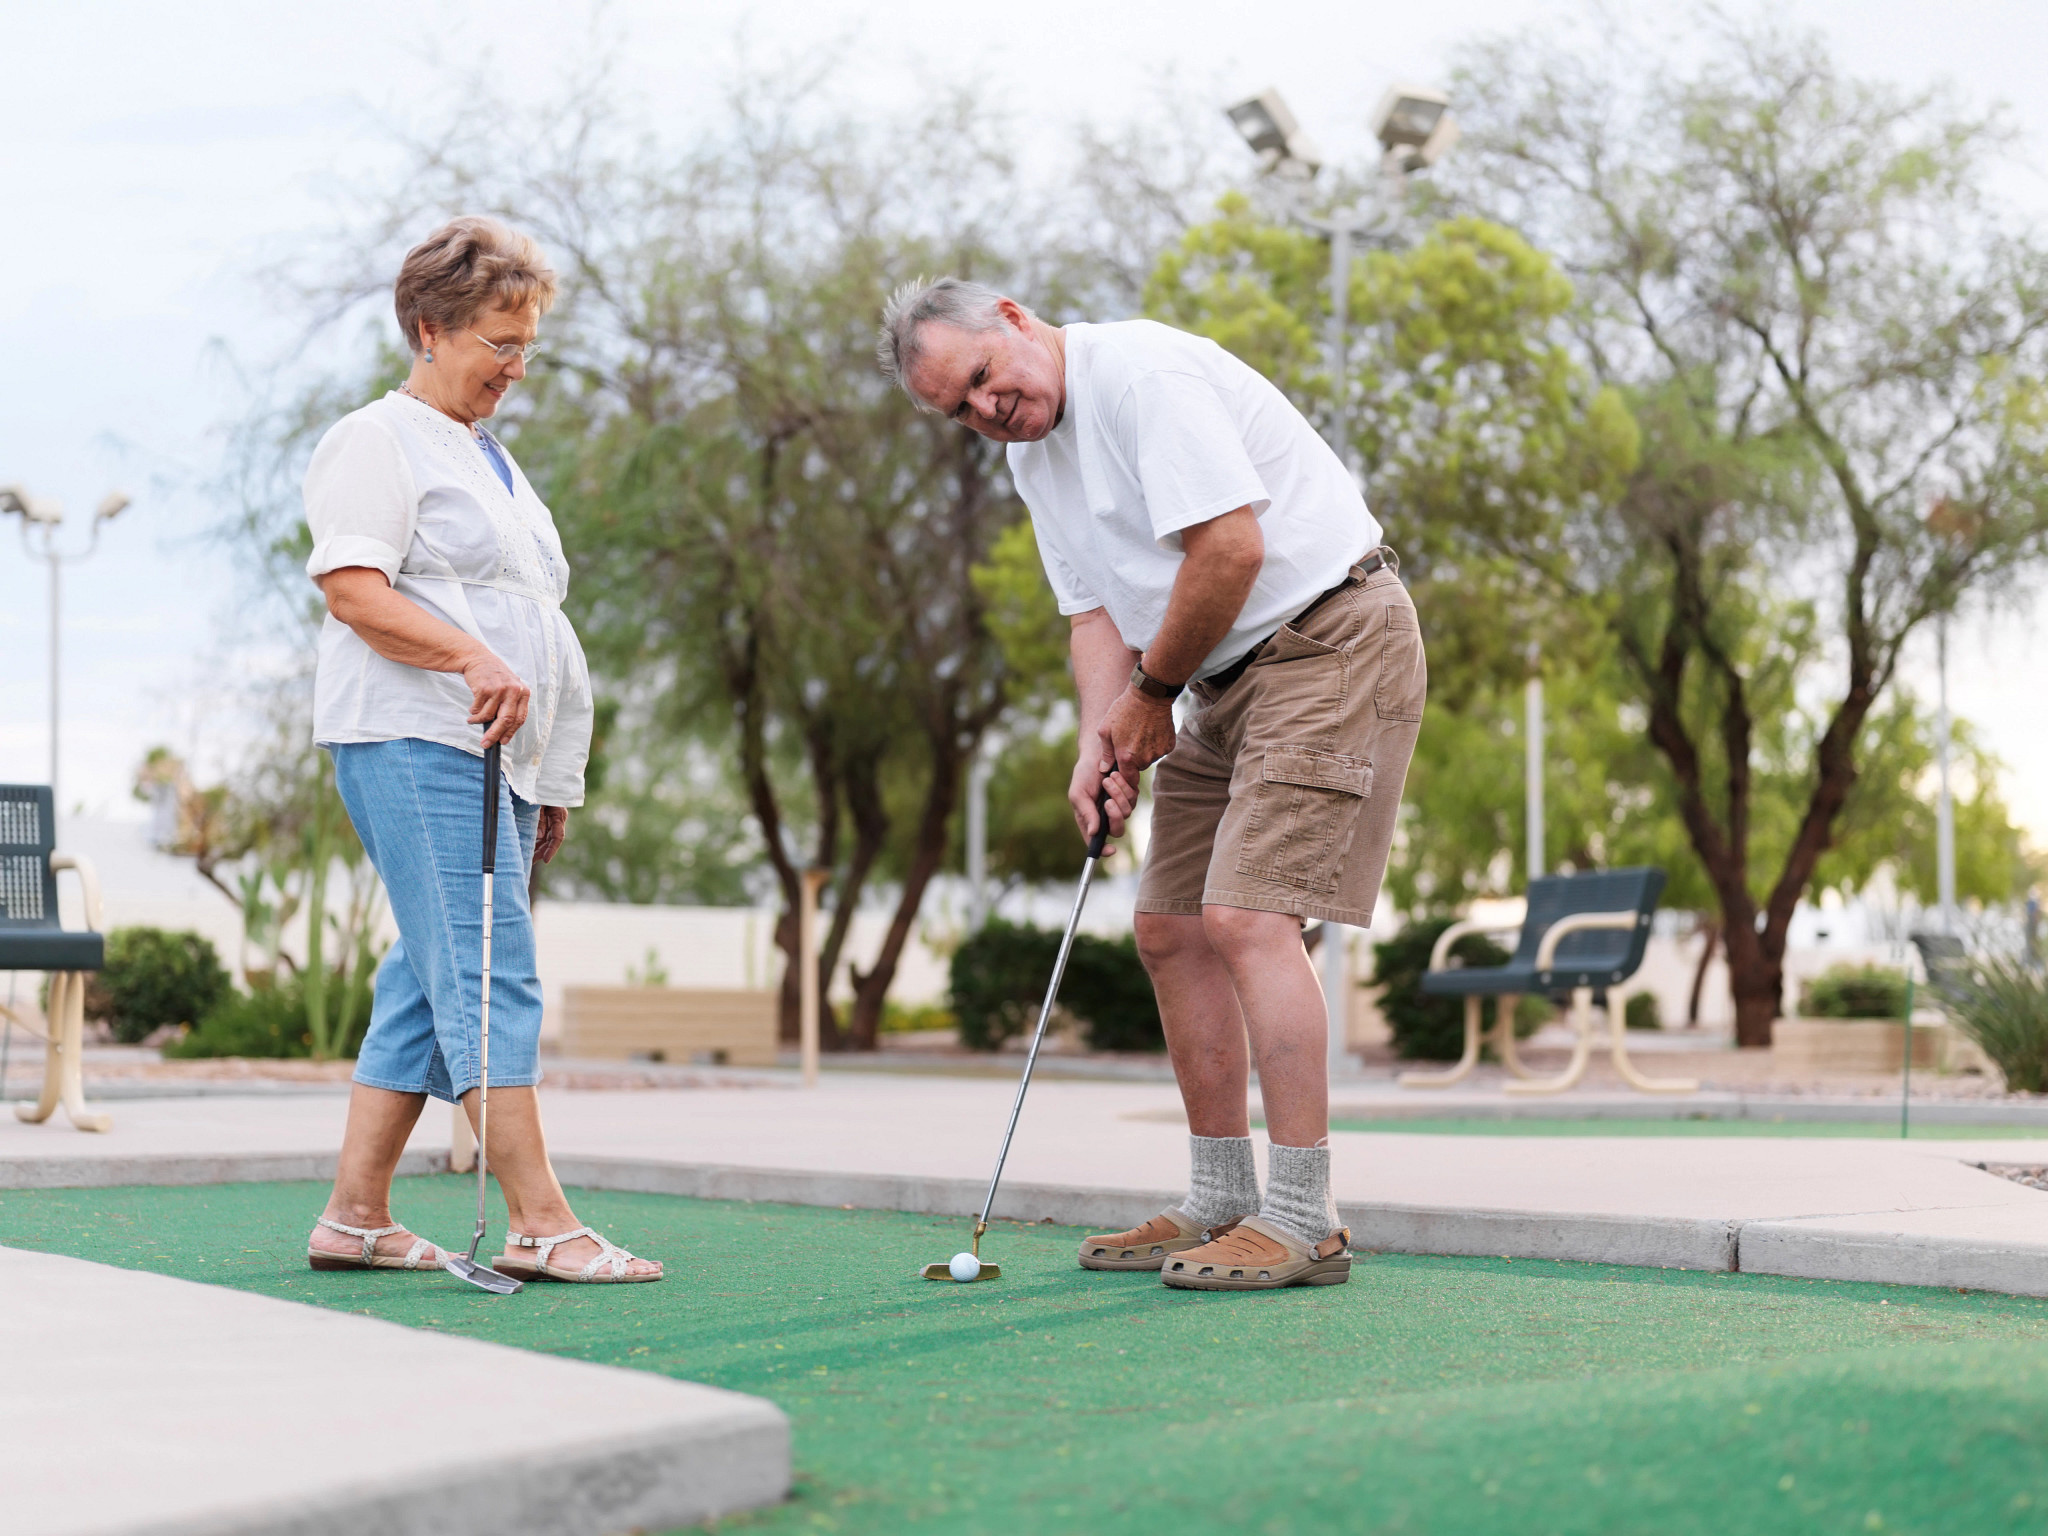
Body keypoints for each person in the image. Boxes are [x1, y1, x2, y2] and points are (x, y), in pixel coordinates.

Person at [878, 279, 1425, 1290]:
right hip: (1213, 674)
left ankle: (1303, 1219)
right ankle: (1218, 1198)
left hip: (1327, 640)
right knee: (1169, 928)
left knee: (1249, 919)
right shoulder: (1033, 458)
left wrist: (1149, 697)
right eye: (956, 410)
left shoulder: (1138, 375)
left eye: (984, 382)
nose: (984, 412)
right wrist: (1104, 738)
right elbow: (1093, 614)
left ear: (1010, 317)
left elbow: (1229, 548)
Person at [301, 215, 660, 1283]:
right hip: (414, 734)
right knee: (489, 969)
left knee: (428, 972)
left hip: (493, 751)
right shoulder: (377, 437)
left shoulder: (490, 458)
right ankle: (540, 1220)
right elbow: (353, 589)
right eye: (497, 344)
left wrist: (545, 777)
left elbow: (528, 624)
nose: (514, 367)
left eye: (525, 347)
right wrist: (466, 660)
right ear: (428, 328)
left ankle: (356, 1216)